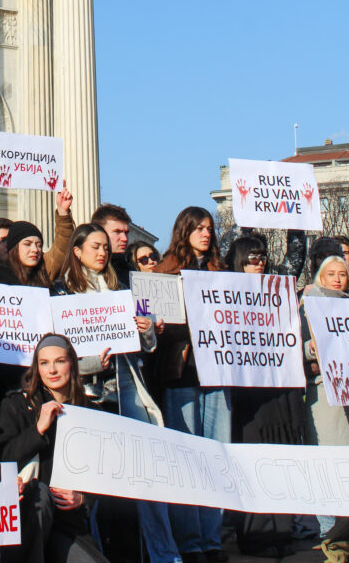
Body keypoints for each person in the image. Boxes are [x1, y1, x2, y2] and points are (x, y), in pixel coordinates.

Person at [55, 224, 181, 563]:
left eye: (105, 248)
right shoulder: (61, 293)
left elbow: (145, 348)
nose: (102, 253)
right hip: (85, 397)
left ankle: (163, 555)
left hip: (125, 392)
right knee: (95, 486)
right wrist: (93, 362)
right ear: (77, 251)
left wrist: (147, 330)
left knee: (145, 475)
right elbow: (55, 359)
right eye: (95, 247)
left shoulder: (122, 289)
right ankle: (97, 552)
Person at [0, 333, 109, 563]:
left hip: (67, 522)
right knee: (41, 495)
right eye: (44, 363)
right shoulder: (16, 404)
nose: (52, 370)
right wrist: (37, 430)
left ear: (72, 364)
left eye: (59, 361)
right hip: (25, 517)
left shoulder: (93, 411)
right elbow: (0, 459)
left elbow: (106, 473)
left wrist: (85, 499)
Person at [154, 207, 229, 563]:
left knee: (216, 457)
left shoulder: (222, 273)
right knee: (186, 460)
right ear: (183, 230)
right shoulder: (165, 271)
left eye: (210, 228)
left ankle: (212, 540)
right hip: (181, 374)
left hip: (217, 377)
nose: (205, 234)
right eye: (198, 227)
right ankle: (190, 542)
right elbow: (159, 328)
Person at [225, 233, 307, 557]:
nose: (258, 263)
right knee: (252, 462)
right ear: (238, 260)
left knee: (280, 458)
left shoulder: (278, 287)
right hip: (247, 395)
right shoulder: (223, 291)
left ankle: (282, 532)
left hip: (278, 390)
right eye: (250, 258)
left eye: (261, 257)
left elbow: (297, 255)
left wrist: (294, 223)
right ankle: (255, 535)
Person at [300, 251, 349, 540]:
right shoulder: (308, 305)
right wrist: (313, 348)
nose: (337, 279)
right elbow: (295, 343)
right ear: (320, 277)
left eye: (342, 274)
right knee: (326, 460)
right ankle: (327, 530)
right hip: (323, 389)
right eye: (331, 274)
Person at [0, 174, 75, 286]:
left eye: (39, 245)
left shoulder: (43, 273)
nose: (35, 249)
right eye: (27, 244)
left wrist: (63, 212)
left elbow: (62, 251)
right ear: (13, 248)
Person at [90, 204, 133, 285]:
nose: (125, 238)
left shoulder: (132, 272)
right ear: (100, 232)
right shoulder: (86, 272)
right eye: (117, 232)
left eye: (126, 233)